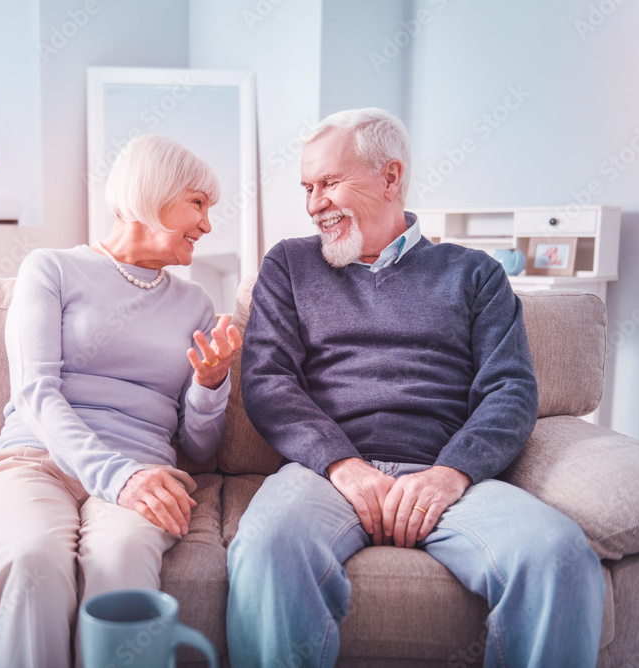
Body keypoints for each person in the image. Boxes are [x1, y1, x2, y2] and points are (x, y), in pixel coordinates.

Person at [226, 109, 605, 667]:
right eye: (307, 187)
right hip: (325, 476)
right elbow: (267, 379)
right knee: (265, 549)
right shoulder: (289, 265)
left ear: (390, 176)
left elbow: (510, 391)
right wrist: (343, 465)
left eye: (329, 183)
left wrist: (451, 473)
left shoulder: (475, 274)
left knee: (560, 555)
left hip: (445, 475)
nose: (313, 205)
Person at [0, 134, 242, 668]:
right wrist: (116, 476)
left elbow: (199, 447)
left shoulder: (195, 302)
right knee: (33, 560)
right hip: (35, 461)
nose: (208, 225)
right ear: (153, 193)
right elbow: (34, 392)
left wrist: (210, 386)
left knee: (121, 560)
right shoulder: (51, 268)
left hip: (145, 466)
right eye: (198, 203)